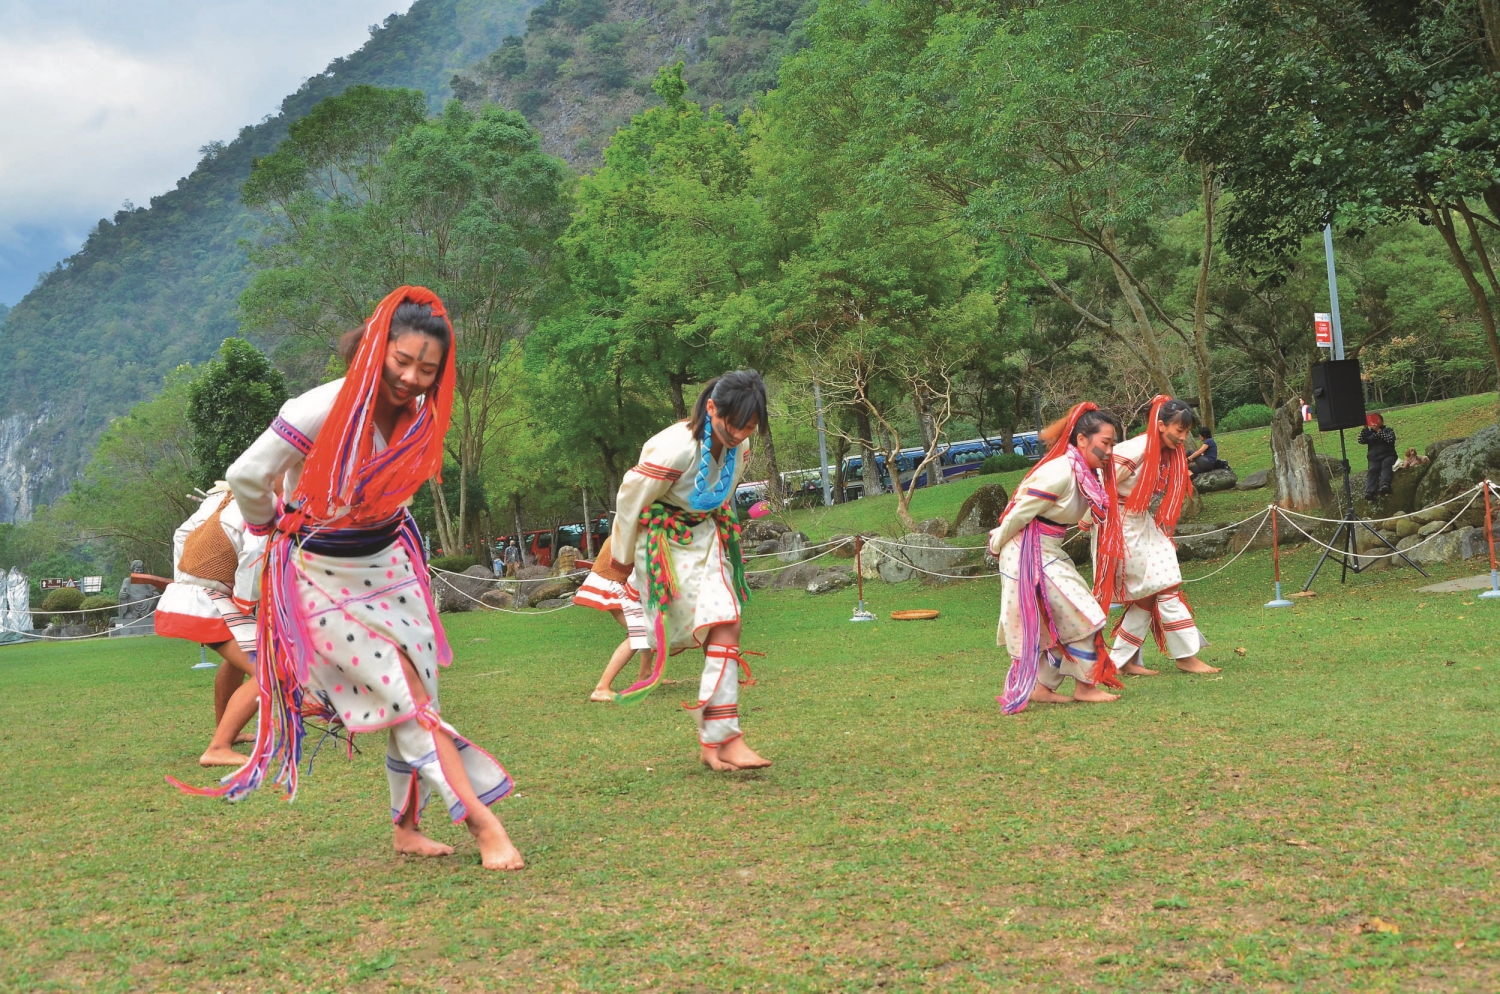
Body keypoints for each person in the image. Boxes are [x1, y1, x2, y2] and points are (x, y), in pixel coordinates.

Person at [175, 287, 523, 872]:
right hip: (321, 576)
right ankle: (485, 825)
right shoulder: (320, 407)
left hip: (390, 569)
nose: (413, 377)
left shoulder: (419, 419)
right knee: (408, 700)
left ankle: (406, 828)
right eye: (402, 361)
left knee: (417, 699)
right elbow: (246, 474)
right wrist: (270, 527)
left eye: (428, 369)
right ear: (376, 350)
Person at [596, 371, 770, 771]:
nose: (741, 435)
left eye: (749, 429)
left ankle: (721, 738)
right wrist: (620, 564)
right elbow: (629, 502)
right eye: (734, 425)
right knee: (719, 629)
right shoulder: (672, 449)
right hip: (664, 545)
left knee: (727, 622)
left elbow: (720, 495)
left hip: (707, 538)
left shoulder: (738, 450)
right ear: (711, 408)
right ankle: (719, 739)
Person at [990, 403, 1126, 711]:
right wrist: (997, 543)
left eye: (1112, 444)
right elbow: (1019, 513)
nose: (1109, 451)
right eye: (1105, 443)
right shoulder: (1060, 471)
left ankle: (1043, 687)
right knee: (1084, 612)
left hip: (1048, 549)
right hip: (1027, 551)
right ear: (1081, 440)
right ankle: (1085, 686)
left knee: (1062, 619)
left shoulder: (1087, 474)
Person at [1105, 396, 1219, 677]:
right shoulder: (1135, 450)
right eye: (1178, 431)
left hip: (1141, 521)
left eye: (1185, 432)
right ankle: (1186, 656)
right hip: (1120, 525)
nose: (1182, 438)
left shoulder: (1167, 452)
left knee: (1148, 596)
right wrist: (1089, 523)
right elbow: (1099, 485)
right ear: (1159, 425)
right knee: (1166, 585)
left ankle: (1121, 660)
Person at [154, 484, 265, 767]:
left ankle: (229, 731)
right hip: (211, 602)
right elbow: (253, 555)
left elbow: (181, 533)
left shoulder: (220, 500)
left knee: (239, 662)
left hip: (192, 595)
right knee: (270, 673)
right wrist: (244, 604)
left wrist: (186, 577)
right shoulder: (259, 503)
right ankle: (218, 747)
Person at [573, 535, 653, 702]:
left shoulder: (632, 525)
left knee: (646, 628)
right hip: (611, 582)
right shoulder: (639, 529)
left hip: (615, 581)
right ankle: (601, 688)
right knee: (641, 632)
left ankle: (645, 675)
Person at [1358, 413, 1398, 499]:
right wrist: (1365, 428)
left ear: (1382, 421)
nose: (1376, 422)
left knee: (1386, 464)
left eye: (1378, 420)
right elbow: (1360, 440)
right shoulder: (1369, 433)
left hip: (1388, 455)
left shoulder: (1388, 430)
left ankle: (1385, 485)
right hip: (1374, 458)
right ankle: (1370, 491)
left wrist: (1379, 430)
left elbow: (1390, 439)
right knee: (1373, 469)